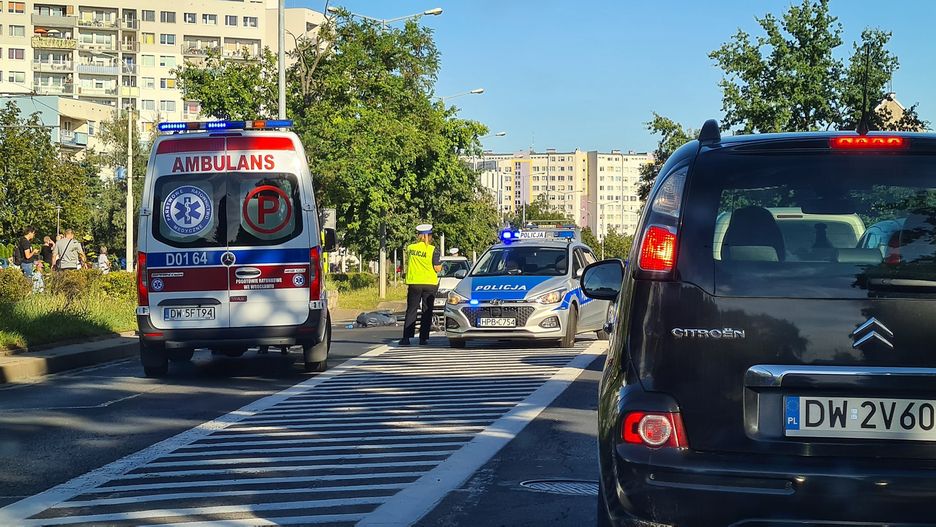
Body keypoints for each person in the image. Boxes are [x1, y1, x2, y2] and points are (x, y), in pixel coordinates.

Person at [399, 223, 442, 346]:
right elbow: (437, 268)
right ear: (430, 236)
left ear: (419, 235)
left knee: (411, 309)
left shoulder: (410, 248)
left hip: (414, 283)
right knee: (427, 311)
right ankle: (423, 338)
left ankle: (406, 338)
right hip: (429, 284)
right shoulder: (433, 250)